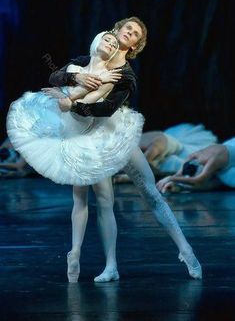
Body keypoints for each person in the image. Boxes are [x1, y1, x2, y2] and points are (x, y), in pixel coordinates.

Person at [50, 16, 202, 281]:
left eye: (134, 35)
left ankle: (186, 250)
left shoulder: (127, 75)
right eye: (127, 29)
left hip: (114, 131)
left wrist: (73, 105)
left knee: (149, 190)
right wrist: (77, 76)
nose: (129, 33)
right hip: (90, 136)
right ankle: (111, 266)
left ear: (134, 46)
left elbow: (107, 109)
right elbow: (55, 75)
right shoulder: (90, 57)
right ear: (116, 30)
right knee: (105, 202)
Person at [6, 31, 145, 283]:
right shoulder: (76, 66)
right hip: (73, 136)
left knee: (102, 199)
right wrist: (80, 82)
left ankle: (105, 262)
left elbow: (92, 104)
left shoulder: (112, 75)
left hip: (91, 132)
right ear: (96, 42)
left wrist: (73, 95)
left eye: (114, 43)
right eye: (107, 39)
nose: (111, 43)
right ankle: (75, 252)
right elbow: (56, 77)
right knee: (79, 198)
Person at [157, 138, 235, 193]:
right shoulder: (193, 156)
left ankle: (182, 187)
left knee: (208, 183)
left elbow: (199, 179)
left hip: (228, 158)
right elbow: (179, 174)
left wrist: (170, 178)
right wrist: (170, 179)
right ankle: (178, 187)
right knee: (208, 181)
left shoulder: (212, 161)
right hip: (225, 152)